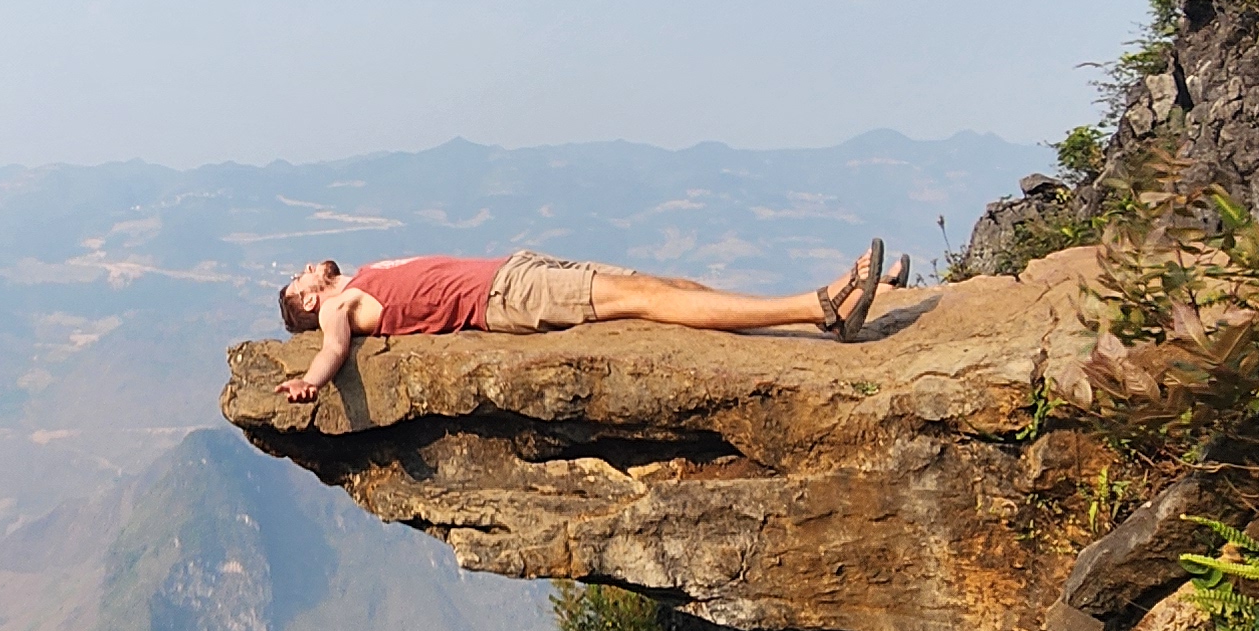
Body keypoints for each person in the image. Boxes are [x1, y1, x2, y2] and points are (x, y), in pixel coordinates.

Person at [275, 240, 892, 402]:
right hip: (507, 295)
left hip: (515, 268)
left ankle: (841, 299)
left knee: (666, 287)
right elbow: (334, 349)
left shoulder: (357, 274)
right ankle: (820, 308)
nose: (304, 270)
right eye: (297, 281)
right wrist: (311, 380)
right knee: (648, 298)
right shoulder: (337, 308)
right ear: (307, 303)